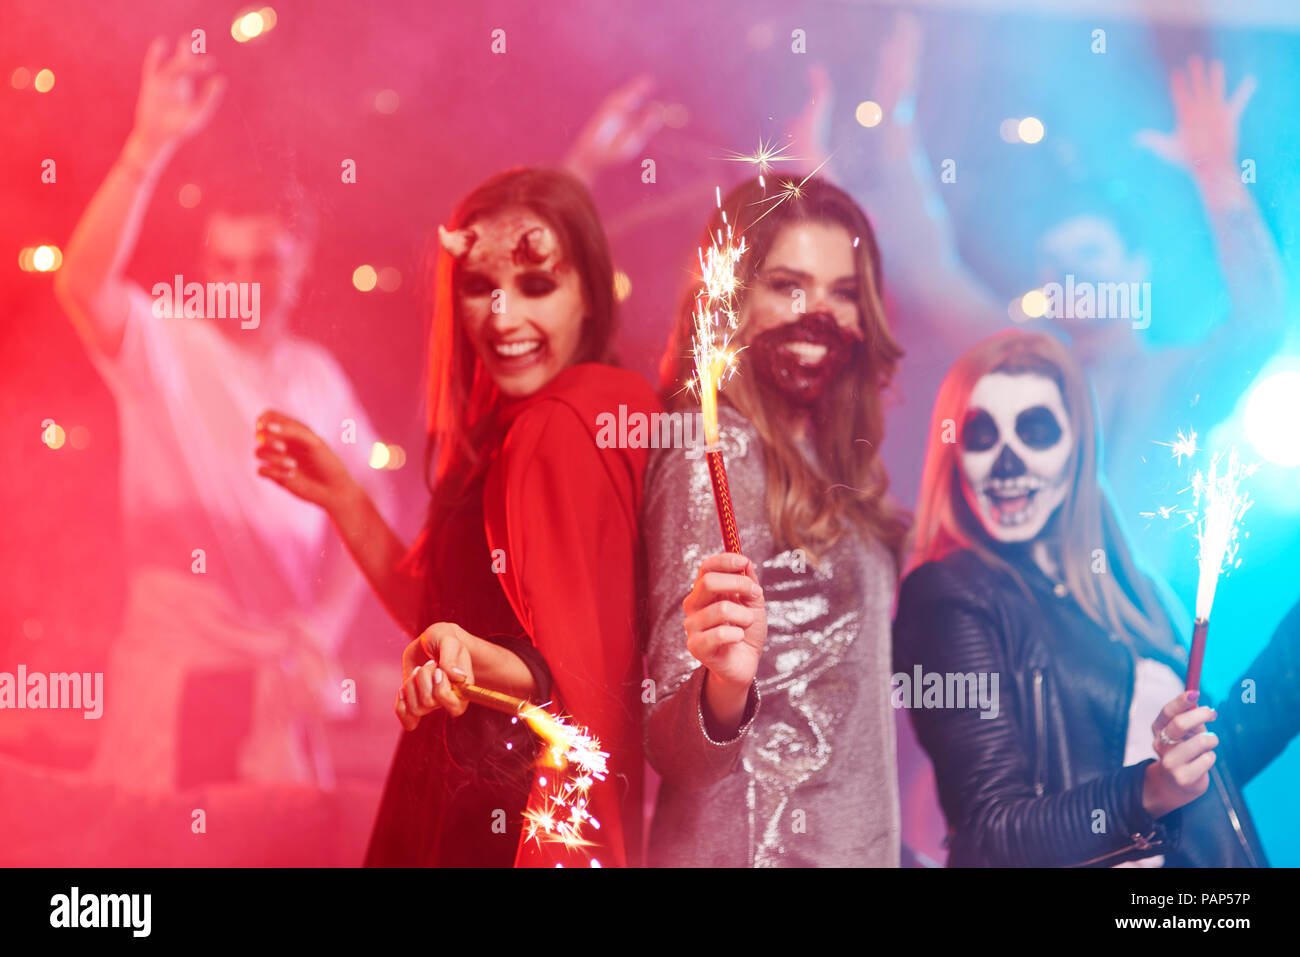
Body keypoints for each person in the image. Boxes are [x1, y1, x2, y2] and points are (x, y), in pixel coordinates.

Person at [256, 167, 659, 867]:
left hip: (509, 807)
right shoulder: (509, 427)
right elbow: (438, 613)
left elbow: (575, 673)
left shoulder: (572, 418)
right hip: (450, 784)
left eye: (537, 285)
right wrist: (346, 498)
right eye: (479, 286)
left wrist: (469, 662)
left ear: (589, 294)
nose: (502, 317)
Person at [53, 35, 384, 792]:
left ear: (299, 258)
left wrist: (328, 622)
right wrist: (147, 147)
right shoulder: (167, 338)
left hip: (278, 683)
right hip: (177, 685)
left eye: (264, 261)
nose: (243, 282)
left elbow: (373, 499)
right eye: (225, 265)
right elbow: (80, 285)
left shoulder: (317, 378)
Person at [893, 330, 1300, 866]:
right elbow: (990, 833)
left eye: (1035, 430)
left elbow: (1210, 776)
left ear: (1077, 446)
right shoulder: (948, 596)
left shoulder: (1128, 592)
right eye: (982, 434)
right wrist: (1150, 789)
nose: (1007, 464)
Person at [641, 176, 908, 866]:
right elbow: (673, 742)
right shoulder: (714, 456)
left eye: (842, 292)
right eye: (788, 285)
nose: (817, 312)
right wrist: (723, 687)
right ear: (735, 301)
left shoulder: (835, 460)